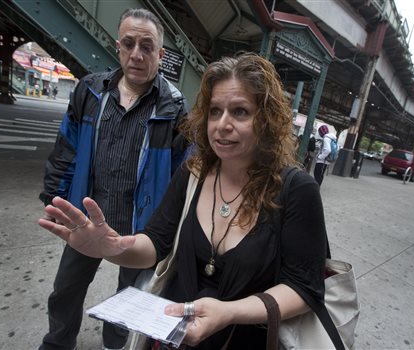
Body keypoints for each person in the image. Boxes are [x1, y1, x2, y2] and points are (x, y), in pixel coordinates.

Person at [38, 53, 329, 350]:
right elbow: (156, 243)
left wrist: (229, 313)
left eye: (240, 112)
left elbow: (304, 288)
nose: (222, 124)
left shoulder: (297, 190)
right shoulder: (193, 172)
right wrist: (113, 248)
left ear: (266, 120)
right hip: (174, 338)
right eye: (215, 111)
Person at [37, 8, 188, 350]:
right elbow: (67, 148)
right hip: (87, 220)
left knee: (128, 302)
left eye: (147, 46)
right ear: (117, 46)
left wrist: (168, 231)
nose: (137, 54)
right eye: (130, 43)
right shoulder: (90, 92)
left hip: (140, 228)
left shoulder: (174, 108)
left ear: (160, 55)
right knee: (65, 291)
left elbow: (182, 174)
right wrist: (55, 198)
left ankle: (114, 345)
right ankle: (57, 343)